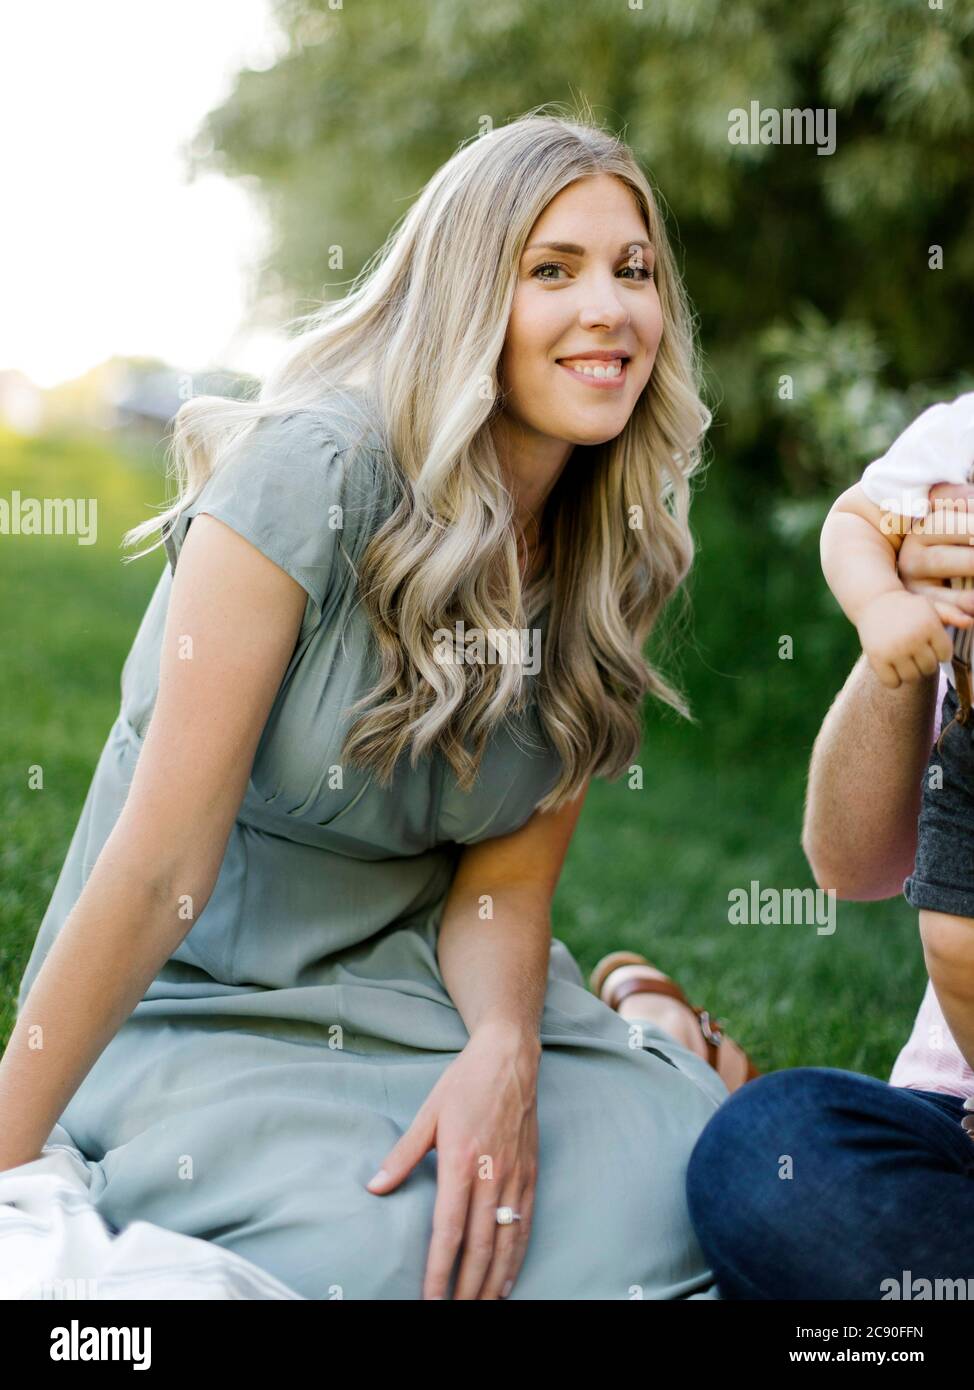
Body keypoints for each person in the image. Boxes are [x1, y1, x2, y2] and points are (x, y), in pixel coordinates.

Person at [0, 111, 754, 1302]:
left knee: (692, 1185)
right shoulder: (308, 473)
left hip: (422, 977)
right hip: (206, 990)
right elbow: (157, 871)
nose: (609, 309)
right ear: (463, 297)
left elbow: (503, 882)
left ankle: (652, 1028)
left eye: (634, 271)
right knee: (397, 1253)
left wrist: (503, 1053)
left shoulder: (618, 548)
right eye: (550, 270)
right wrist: (2, 1152)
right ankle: (654, 1033)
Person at [684, 477, 974, 1301]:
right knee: (768, 1148)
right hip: (960, 1119)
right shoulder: (959, 458)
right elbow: (852, 867)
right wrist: (902, 609)